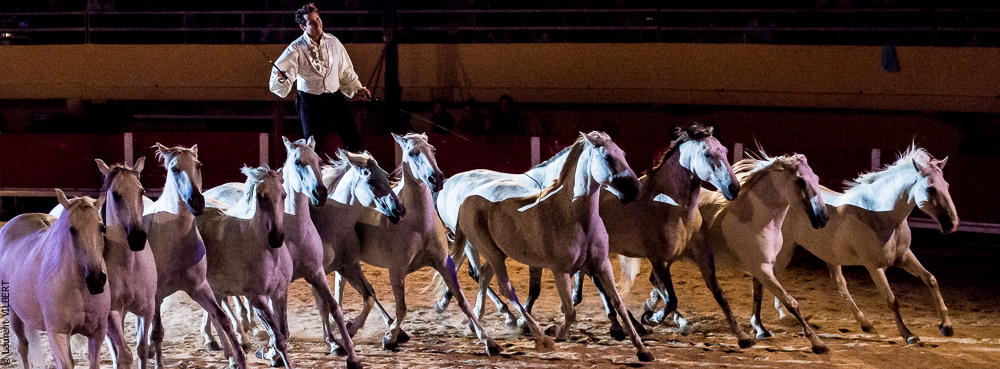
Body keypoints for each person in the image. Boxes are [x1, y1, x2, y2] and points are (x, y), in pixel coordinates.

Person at [269, 2, 372, 156]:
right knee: (312, 148)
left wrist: (357, 88)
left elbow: (345, 69)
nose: (317, 24)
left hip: (334, 98)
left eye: (318, 19)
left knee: (354, 141)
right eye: (312, 22)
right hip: (310, 102)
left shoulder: (334, 42)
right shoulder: (295, 48)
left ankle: (357, 178)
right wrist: (282, 79)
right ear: (303, 27)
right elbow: (284, 71)